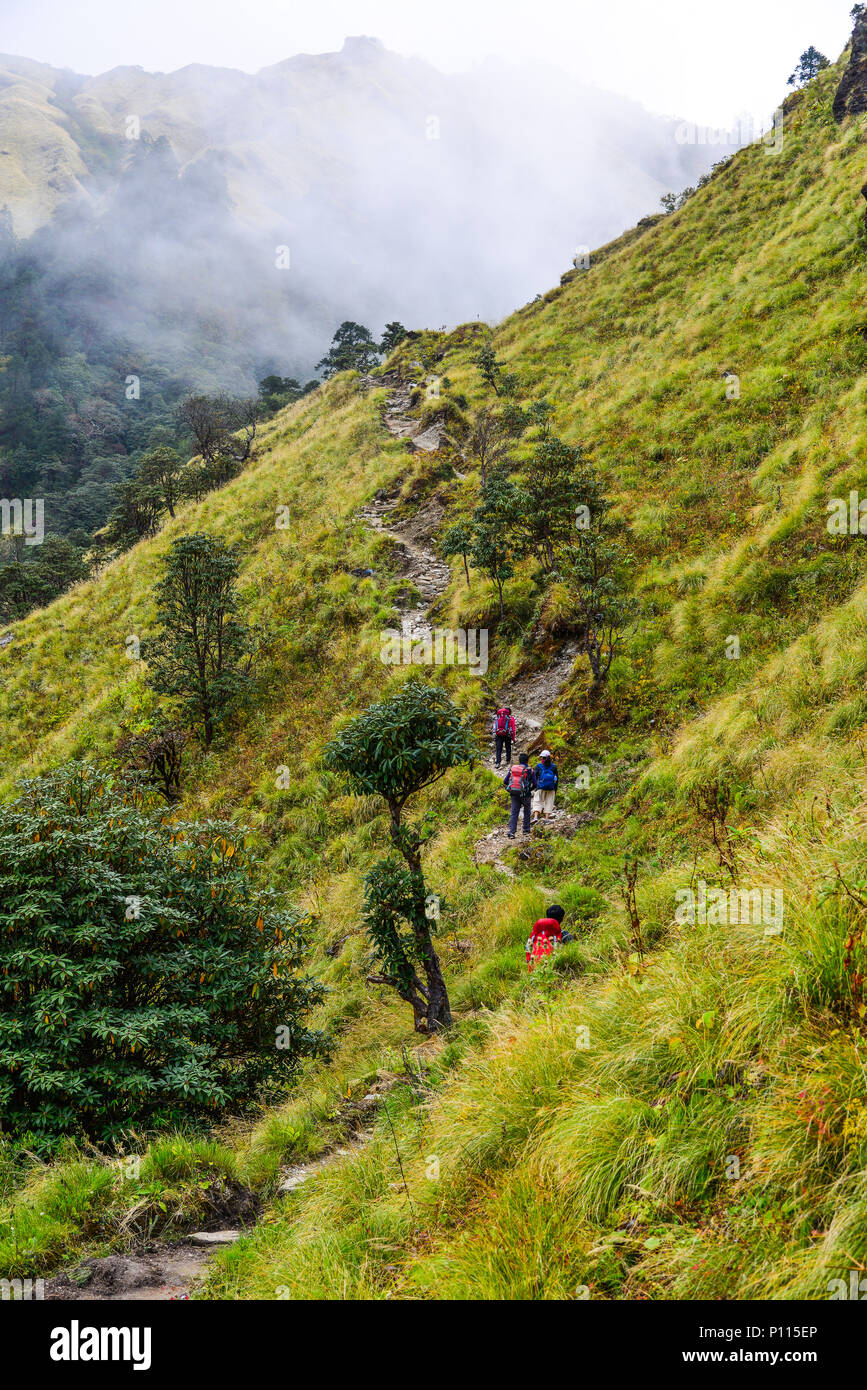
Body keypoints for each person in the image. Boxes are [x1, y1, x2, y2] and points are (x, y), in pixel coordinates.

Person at [525, 903, 574, 972]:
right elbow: (573, 951)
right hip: (555, 970)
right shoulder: (565, 935)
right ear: (562, 918)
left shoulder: (536, 934)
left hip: (534, 970)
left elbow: (528, 950)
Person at [503, 753, 535, 838]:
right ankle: (526, 830)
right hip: (526, 795)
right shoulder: (530, 770)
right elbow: (535, 784)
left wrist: (513, 787)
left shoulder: (513, 769)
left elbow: (505, 781)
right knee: (527, 811)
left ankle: (512, 832)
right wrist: (529, 790)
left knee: (514, 812)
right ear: (527, 761)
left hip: (514, 794)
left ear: (519, 760)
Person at [532, 749, 559, 823]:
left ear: (542, 758)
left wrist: (535, 787)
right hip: (551, 788)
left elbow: (534, 777)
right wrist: (555, 789)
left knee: (537, 801)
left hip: (540, 787)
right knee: (549, 802)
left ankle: (535, 817)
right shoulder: (554, 767)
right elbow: (556, 779)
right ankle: (547, 819)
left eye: (541, 757)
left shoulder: (539, 766)